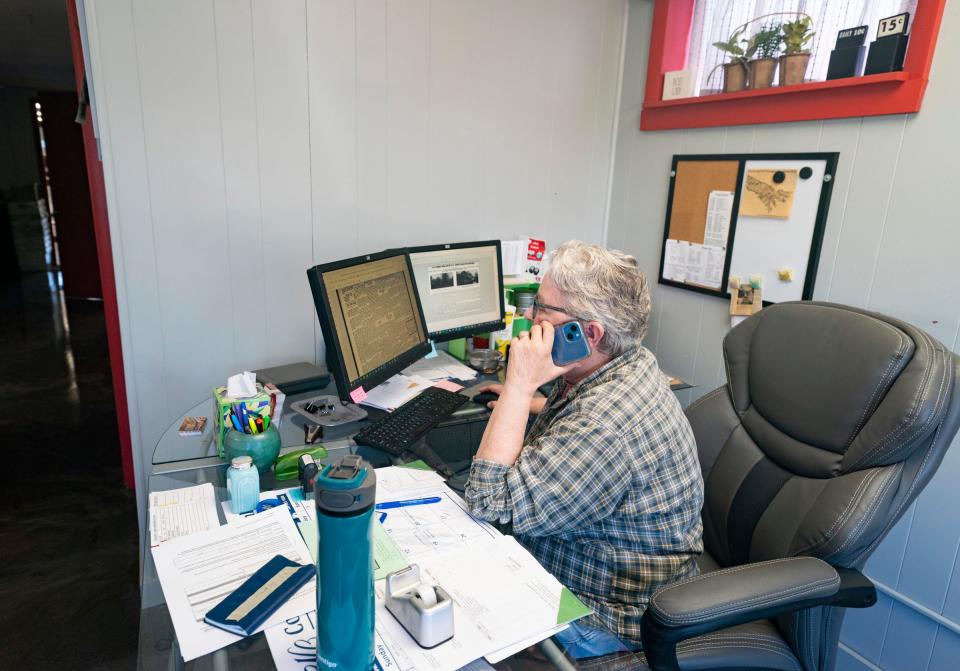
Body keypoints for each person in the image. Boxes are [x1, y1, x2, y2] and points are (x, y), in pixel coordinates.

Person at [464, 240, 704, 657]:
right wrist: (534, 402)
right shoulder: (626, 363)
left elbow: (486, 501)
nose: (531, 321)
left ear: (587, 334)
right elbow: (580, 413)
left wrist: (520, 387)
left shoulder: (605, 426)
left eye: (543, 309)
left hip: (604, 616)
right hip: (612, 569)